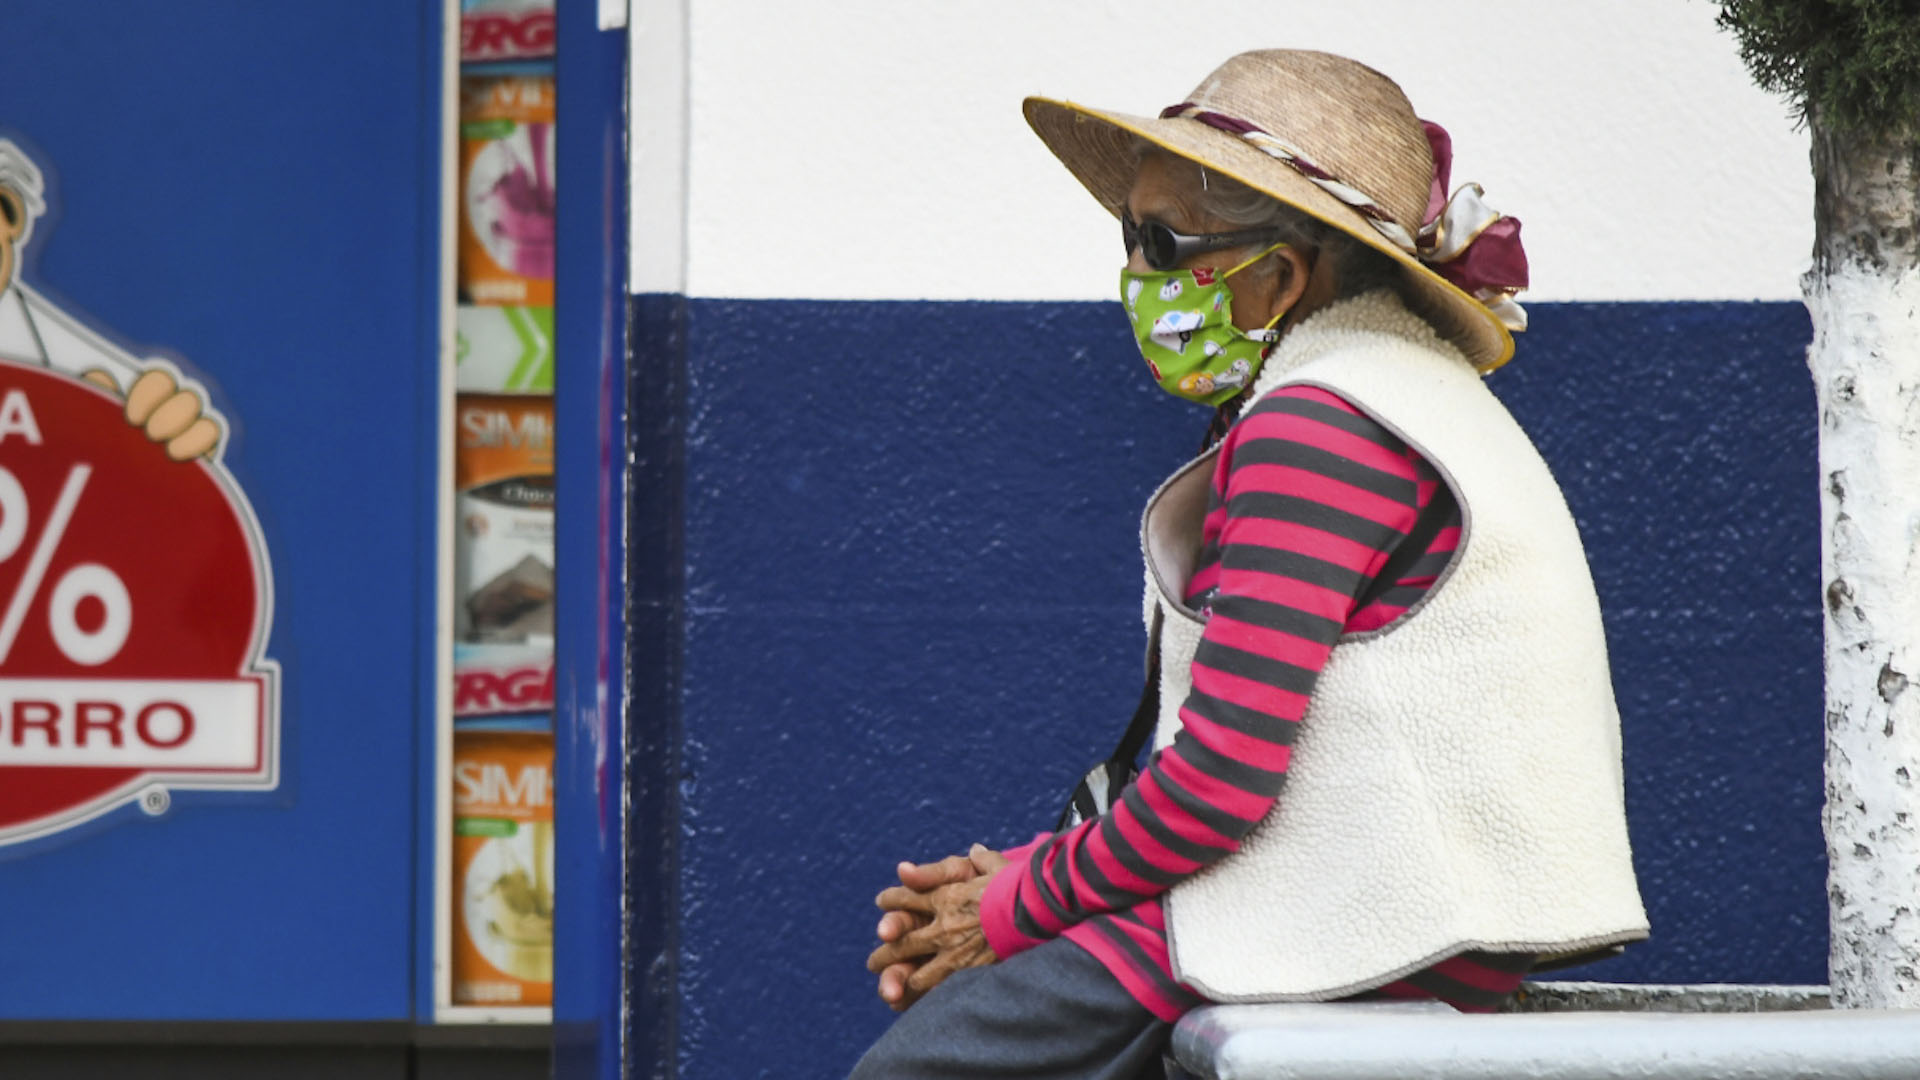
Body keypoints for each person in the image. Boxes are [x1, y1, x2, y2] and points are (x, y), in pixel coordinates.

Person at [850, 49, 1648, 1080]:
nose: (1136, 274)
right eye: (1129, 236)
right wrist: (1024, 879)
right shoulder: (1401, 388)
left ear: (1281, 276)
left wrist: (1014, 901)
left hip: (1347, 925)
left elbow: (1220, 782)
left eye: (1161, 242)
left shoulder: (1316, 427)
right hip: (1380, 915)